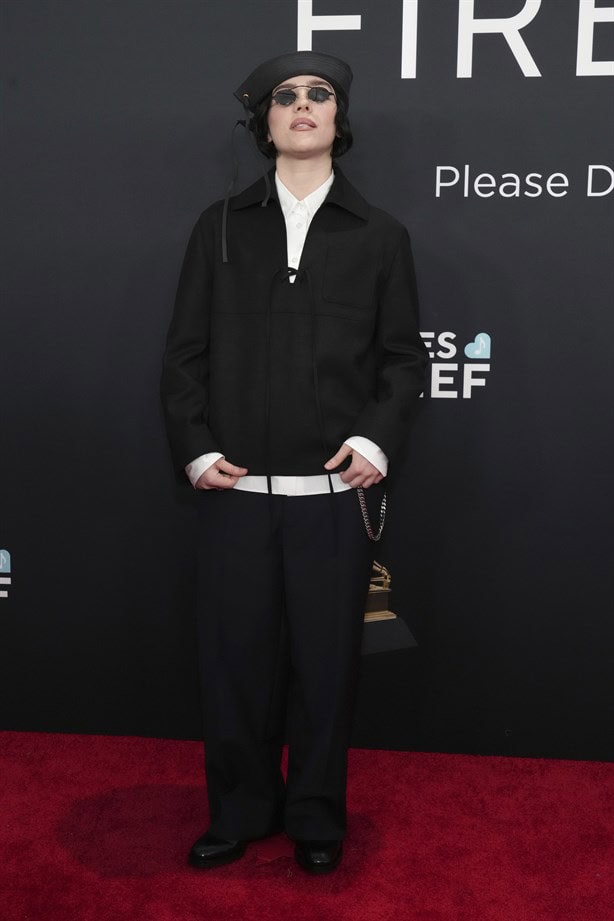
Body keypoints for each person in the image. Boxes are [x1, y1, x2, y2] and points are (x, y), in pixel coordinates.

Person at [161, 50, 428, 874]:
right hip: (236, 495)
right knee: (234, 666)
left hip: (333, 500)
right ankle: (240, 810)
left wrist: (376, 440)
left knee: (326, 668)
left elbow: (402, 360)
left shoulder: (381, 235)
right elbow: (184, 356)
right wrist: (196, 447)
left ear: (339, 119)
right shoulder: (219, 226)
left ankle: (316, 814)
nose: (303, 105)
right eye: (285, 96)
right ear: (265, 119)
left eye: (320, 94)